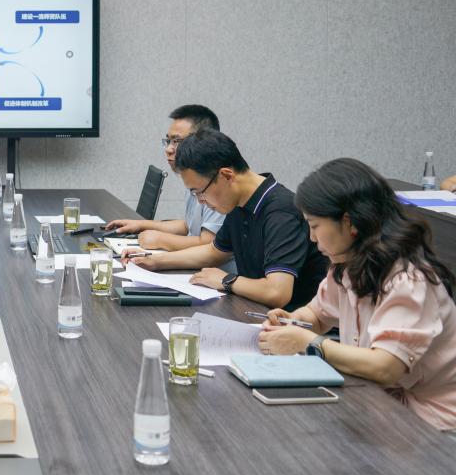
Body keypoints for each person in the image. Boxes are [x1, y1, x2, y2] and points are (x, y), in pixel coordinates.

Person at [258, 158, 456, 432]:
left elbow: (385, 367)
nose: (312, 238)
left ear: (349, 222)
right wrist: (293, 321)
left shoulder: (408, 279)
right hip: (380, 402)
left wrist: (310, 342)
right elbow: (317, 314)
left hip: (435, 424)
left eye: (314, 226)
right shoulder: (347, 263)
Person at [125, 129, 327, 309]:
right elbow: (214, 252)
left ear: (226, 176)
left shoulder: (281, 212)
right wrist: (154, 261)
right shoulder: (239, 203)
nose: (200, 201)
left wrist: (227, 280)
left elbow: (277, 292)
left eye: (200, 192)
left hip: (293, 326)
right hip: (254, 312)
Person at [105, 106, 234, 273]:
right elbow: (190, 226)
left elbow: (209, 244)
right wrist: (142, 225)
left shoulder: (217, 183)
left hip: (218, 276)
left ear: (203, 141)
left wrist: (161, 240)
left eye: (177, 141)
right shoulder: (194, 176)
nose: (168, 149)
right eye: (168, 141)